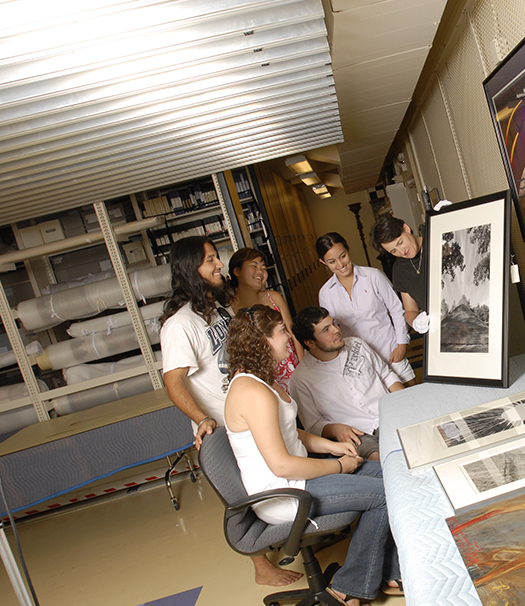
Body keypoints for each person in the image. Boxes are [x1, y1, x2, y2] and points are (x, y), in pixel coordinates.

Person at [225, 304, 401, 606]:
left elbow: (291, 432)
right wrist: (339, 465)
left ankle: (390, 571)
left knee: (392, 476)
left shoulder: (261, 380)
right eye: (281, 331)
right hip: (285, 492)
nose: (288, 337)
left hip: (299, 478)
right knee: (386, 496)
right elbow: (282, 465)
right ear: (262, 341)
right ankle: (350, 586)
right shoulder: (253, 393)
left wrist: (333, 447)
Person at [159, 236, 301, 588]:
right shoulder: (179, 325)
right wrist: (202, 419)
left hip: (253, 412)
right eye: (210, 260)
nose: (219, 264)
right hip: (226, 424)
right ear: (191, 268)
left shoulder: (220, 309)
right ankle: (261, 567)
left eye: (216, 258)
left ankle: (297, 529)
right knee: (241, 494)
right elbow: (173, 381)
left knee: (276, 478)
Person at [289, 306, 403, 462]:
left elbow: (386, 375)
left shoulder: (357, 345)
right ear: (310, 343)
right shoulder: (301, 379)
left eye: (333, 324)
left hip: (391, 413)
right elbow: (313, 425)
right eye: (326, 330)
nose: (336, 330)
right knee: (388, 462)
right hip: (359, 434)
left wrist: (403, 401)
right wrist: (336, 430)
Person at [316, 232, 416, 387]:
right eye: (332, 261)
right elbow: (330, 329)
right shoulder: (325, 293)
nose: (340, 264)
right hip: (359, 364)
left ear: (348, 249)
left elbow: (396, 309)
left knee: (413, 395)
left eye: (343, 256)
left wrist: (402, 344)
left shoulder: (373, 276)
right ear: (323, 262)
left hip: (390, 352)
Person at [228, 247, 302, 391]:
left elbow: (293, 333)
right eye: (254, 266)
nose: (260, 272)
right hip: (267, 378)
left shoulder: (274, 297)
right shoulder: (230, 309)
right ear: (237, 271)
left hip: (293, 367)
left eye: (263, 268)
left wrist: (303, 367)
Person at [371, 216, 429, 334]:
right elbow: (410, 310)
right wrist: (415, 322)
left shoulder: (437, 241)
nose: (402, 252)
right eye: (393, 251)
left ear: (406, 228)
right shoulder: (399, 269)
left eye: (400, 242)